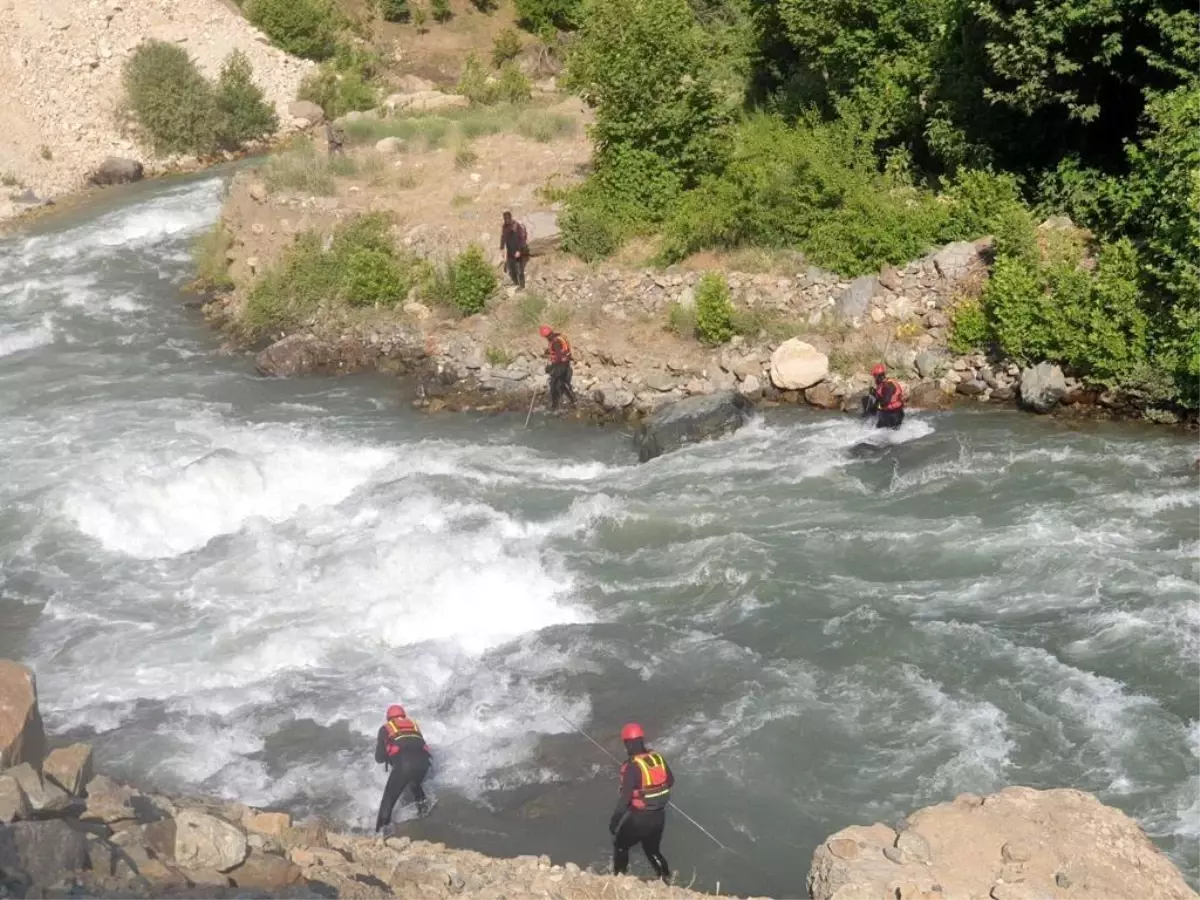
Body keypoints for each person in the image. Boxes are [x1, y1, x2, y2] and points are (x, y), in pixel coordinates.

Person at [609, 723, 672, 882]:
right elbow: (670, 781)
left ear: (628, 743)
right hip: (659, 816)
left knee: (621, 845)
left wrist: (614, 822)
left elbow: (625, 800)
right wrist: (654, 789)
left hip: (639, 819)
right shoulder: (657, 758)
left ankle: (620, 879)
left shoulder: (632, 767)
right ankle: (666, 880)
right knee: (653, 851)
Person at [374, 704, 432, 832]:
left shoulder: (386, 728)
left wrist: (388, 756)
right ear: (403, 716)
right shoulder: (414, 726)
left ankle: (379, 834)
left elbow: (379, 758)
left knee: (388, 801)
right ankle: (426, 821)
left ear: (389, 718)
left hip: (404, 765)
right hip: (424, 764)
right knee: (415, 786)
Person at [540, 325, 576, 411]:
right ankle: (573, 400)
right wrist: (549, 351)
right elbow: (559, 350)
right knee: (563, 382)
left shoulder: (555, 342)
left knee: (554, 383)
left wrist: (550, 367)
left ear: (547, 336)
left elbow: (559, 357)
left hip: (561, 364)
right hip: (566, 363)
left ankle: (554, 405)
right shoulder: (558, 337)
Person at [862, 363, 905, 429]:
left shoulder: (888, 386)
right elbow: (882, 396)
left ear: (878, 376)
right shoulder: (884, 384)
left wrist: (876, 406)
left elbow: (886, 401)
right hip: (891, 413)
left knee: (877, 430)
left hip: (893, 415)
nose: (875, 379)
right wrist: (874, 393)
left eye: (875, 377)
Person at [500, 211, 528, 290]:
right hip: (510, 251)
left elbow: (521, 239)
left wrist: (519, 250)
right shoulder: (504, 227)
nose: (507, 220)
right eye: (505, 219)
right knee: (512, 268)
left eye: (508, 218)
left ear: (510, 217)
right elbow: (503, 237)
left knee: (519, 269)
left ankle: (522, 286)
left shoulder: (516, 226)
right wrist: (502, 247)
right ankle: (516, 283)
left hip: (517, 250)